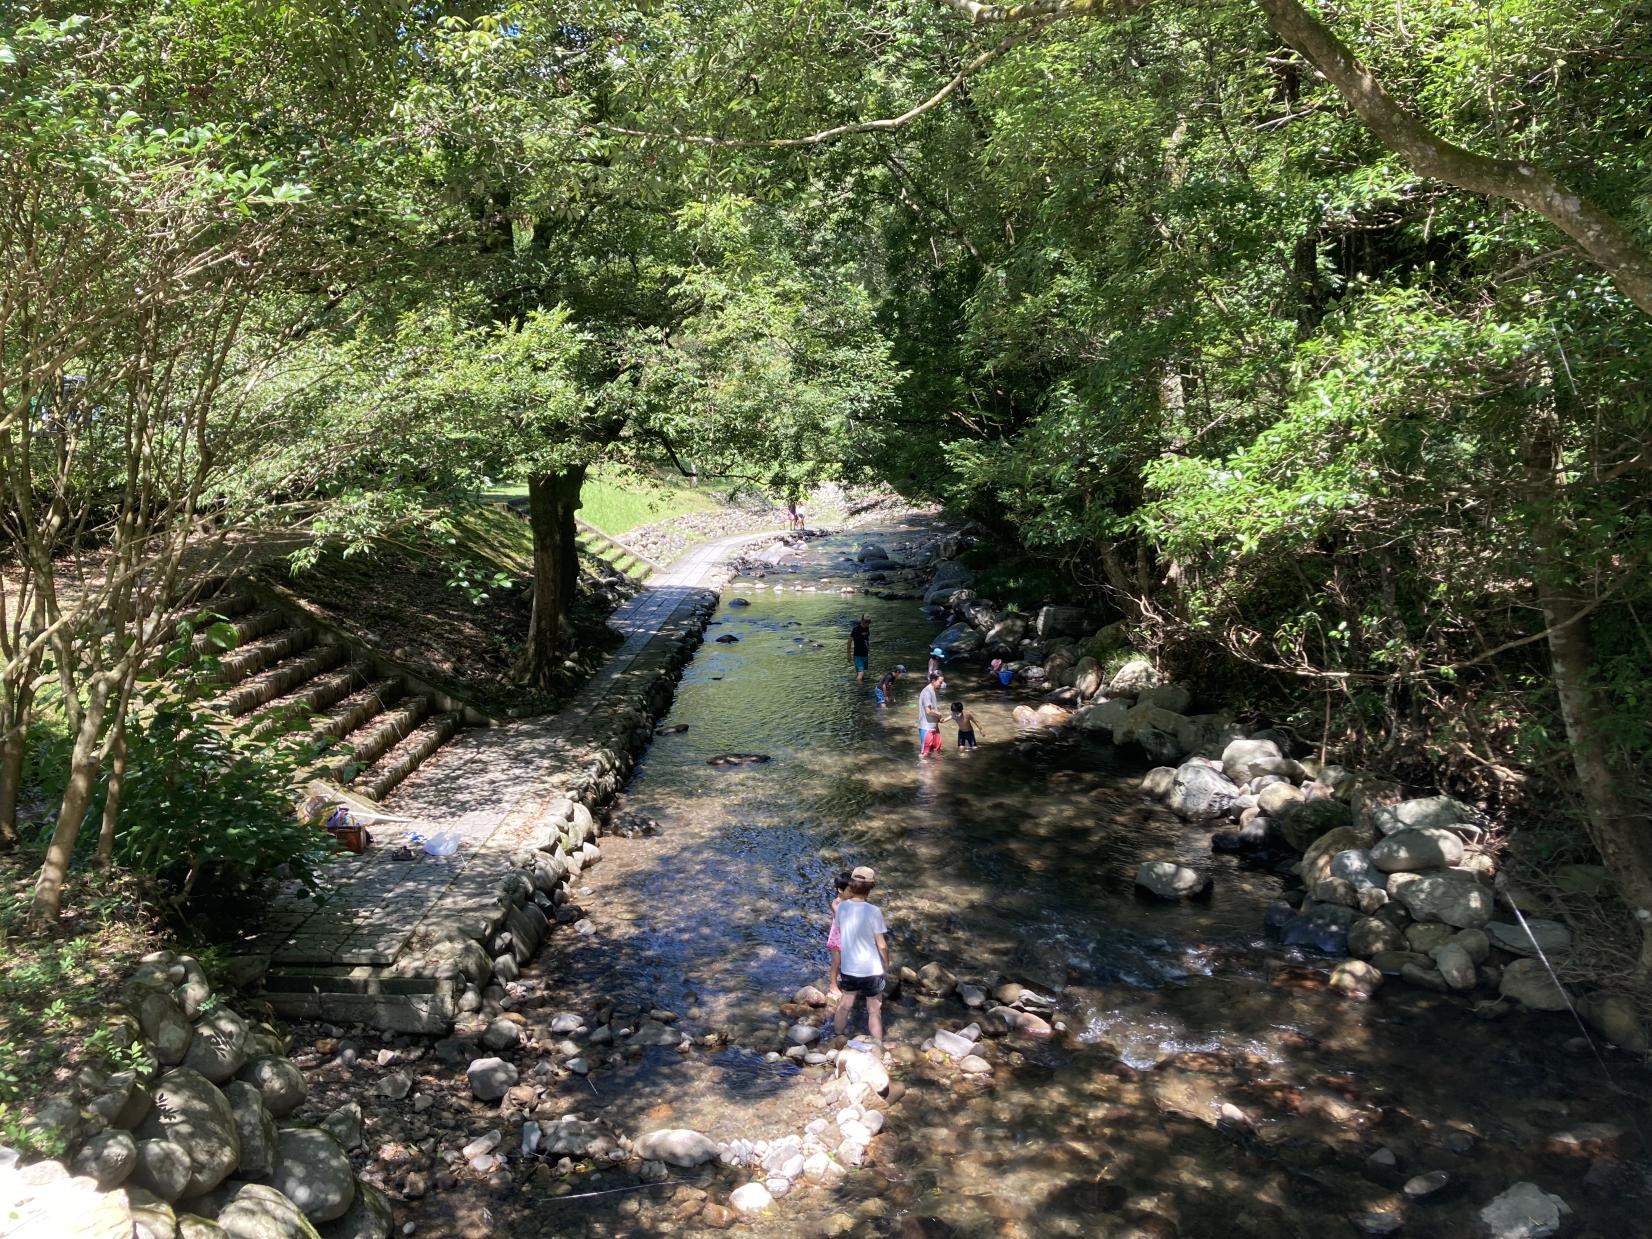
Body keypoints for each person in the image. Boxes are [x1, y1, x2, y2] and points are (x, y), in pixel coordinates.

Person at [828, 865, 889, 1044]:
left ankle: (838, 1039)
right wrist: (886, 963)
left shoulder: (841, 908)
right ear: (871, 887)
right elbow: (882, 945)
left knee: (845, 1005)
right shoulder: (874, 911)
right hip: (871, 970)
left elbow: (840, 931)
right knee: (874, 1009)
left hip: (848, 968)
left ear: (851, 885)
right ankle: (877, 1045)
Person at [824, 870, 851, 999]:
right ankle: (833, 985)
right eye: (850, 890)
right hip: (838, 936)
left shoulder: (852, 902)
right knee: (836, 961)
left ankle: (846, 980)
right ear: (840, 890)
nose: (853, 893)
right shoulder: (836, 903)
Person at [917, 669, 946, 757]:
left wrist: (937, 724)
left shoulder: (932, 690)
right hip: (926, 728)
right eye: (940, 682)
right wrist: (939, 714)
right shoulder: (927, 692)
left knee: (937, 751)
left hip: (934, 728)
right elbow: (928, 711)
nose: (941, 684)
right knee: (925, 754)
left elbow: (932, 709)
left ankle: (934, 770)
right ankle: (922, 770)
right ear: (933, 680)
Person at [848, 616, 871, 683]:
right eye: (866, 622)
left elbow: (866, 639)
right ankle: (859, 690)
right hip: (858, 655)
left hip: (865, 654)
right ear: (862, 621)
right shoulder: (856, 629)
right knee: (861, 674)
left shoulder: (867, 628)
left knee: (860, 673)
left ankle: (859, 689)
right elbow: (849, 641)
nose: (867, 624)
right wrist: (849, 654)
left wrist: (868, 648)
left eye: (869, 623)